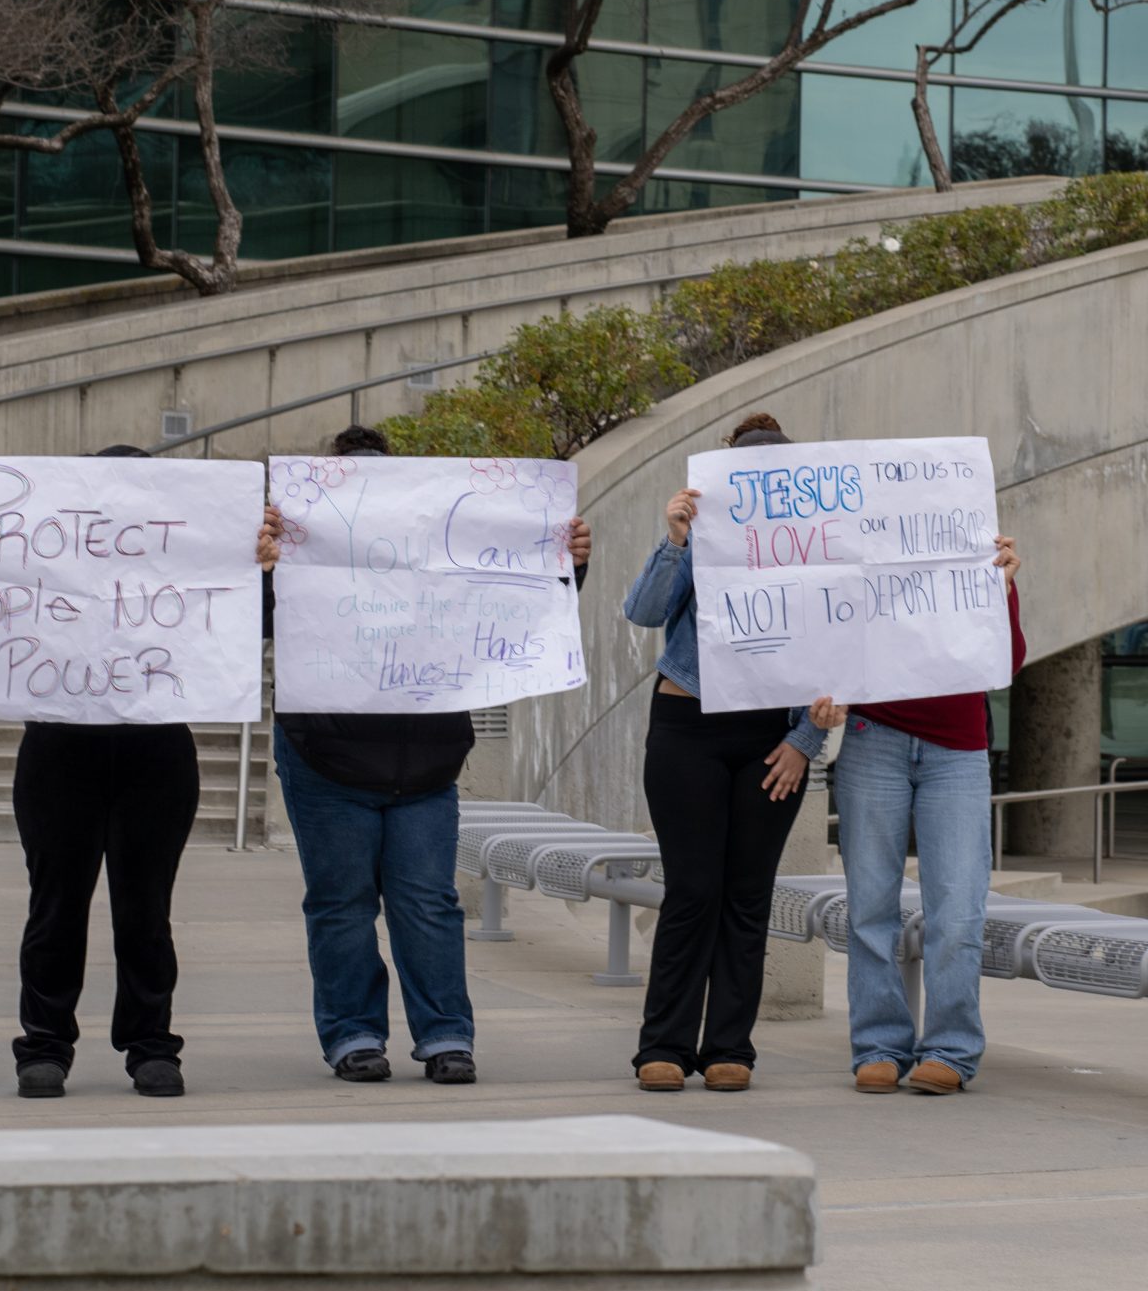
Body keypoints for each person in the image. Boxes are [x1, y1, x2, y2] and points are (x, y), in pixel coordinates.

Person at [256, 424, 590, 1085]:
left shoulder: (441, 541)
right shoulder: (294, 548)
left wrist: (568, 561)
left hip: (426, 761)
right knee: (342, 902)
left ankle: (445, 1037)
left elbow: (516, 597)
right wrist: (264, 567)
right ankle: (354, 1035)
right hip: (324, 755)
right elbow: (261, 624)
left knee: (428, 902)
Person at [0, 444, 209, 1101]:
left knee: (145, 911)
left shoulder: (184, 553)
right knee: (54, 909)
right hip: (59, 753)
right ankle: (43, 1046)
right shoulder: (47, 547)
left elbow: (247, 617)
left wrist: (262, 567)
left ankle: (151, 1045)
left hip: (154, 756)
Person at [621, 411, 841, 1094]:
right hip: (688, 724)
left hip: (772, 739)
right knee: (692, 888)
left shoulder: (819, 542)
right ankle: (662, 1043)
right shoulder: (701, 532)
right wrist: (677, 539)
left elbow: (842, 647)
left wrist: (806, 742)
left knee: (748, 893)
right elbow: (644, 611)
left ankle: (729, 1047)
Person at [834, 521, 1023, 1097]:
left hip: (958, 750)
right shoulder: (859, 561)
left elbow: (1007, 663)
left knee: (959, 907)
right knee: (870, 905)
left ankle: (951, 1049)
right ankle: (879, 1045)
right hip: (873, 736)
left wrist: (1006, 588)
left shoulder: (977, 566)